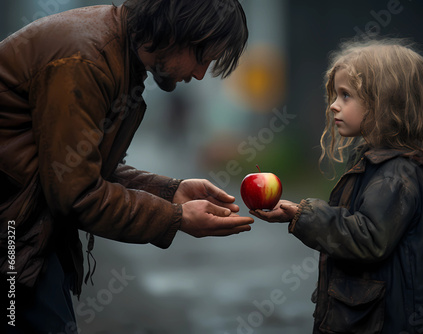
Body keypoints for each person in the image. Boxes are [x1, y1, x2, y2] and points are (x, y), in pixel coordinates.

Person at [0, 0, 253, 332]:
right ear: (176, 31)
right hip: (12, 234)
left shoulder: (117, 53)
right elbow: (76, 194)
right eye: (202, 57)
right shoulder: (85, 61)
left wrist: (170, 191)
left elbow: (75, 167)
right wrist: (176, 219)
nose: (200, 73)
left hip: (28, 228)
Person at [252, 39, 423, 333]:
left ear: (386, 103)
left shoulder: (396, 174)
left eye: (346, 95)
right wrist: (297, 213)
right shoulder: (381, 163)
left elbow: (368, 236)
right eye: (335, 94)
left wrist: (304, 216)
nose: (334, 105)